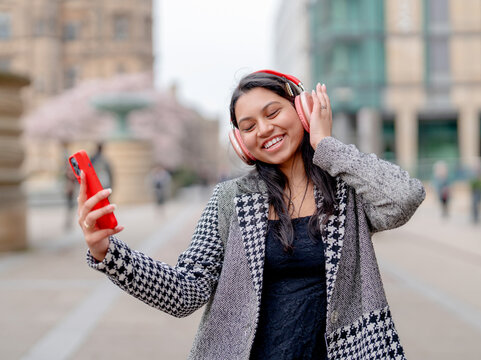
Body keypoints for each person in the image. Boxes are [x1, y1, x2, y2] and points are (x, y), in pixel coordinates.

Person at [76, 71, 425, 359]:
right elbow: (186, 291)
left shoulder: (346, 188)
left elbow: (404, 197)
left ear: (301, 110)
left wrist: (326, 145)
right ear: (241, 142)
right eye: (249, 125)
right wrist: (108, 253)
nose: (264, 130)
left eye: (273, 113)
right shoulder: (231, 199)